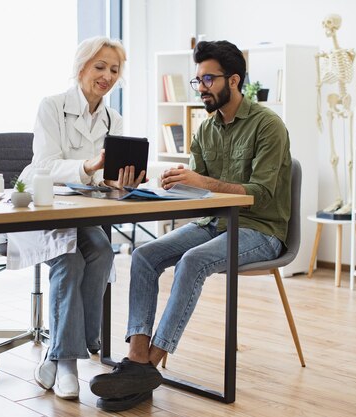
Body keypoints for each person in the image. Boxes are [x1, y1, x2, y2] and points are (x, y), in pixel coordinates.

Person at [89, 40, 292, 412]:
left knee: (193, 261)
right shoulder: (206, 129)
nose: (201, 88)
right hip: (214, 222)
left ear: (234, 80)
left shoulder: (268, 126)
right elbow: (199, 192)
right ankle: (136, 356)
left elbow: (260, 195)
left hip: (260, 230)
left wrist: (202, 182)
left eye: (208, 79)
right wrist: (175, 183)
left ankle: (148, 366)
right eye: (197, 80)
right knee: (144, 255)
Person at [7, 36, 145, 401]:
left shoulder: (114, 118)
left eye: (114, 69)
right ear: (80, 66)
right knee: (69, 261)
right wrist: (87, 166)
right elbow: (46, 166)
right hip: (43, 207)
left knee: (101, 251)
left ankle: (59, 353)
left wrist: (119, 179)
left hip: (84, 212)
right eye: (100, 67)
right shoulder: (52, 107)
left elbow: (104, 178)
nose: (107, 76)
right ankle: (68, 361)